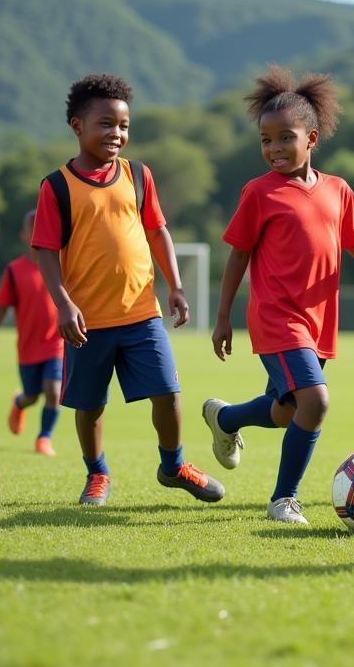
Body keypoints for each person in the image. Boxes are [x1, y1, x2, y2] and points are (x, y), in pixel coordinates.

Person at [203, 65, 354, 525]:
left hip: (318, 321)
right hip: (276, 318)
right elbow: (238, 256)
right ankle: (284, 500)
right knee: (316, 402)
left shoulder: (338, 190)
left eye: (285, 138)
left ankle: (225, 420)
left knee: (286, 412)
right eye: (266, 140)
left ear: (313, 139)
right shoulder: (259, 193)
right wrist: (223, 315)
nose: (274, 149)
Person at [32, 73, 224, 507]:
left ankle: (173, 465)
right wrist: (63, 305)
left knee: (168, 392)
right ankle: (97, 474)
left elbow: (158, 232)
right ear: (77, 126)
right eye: (105, 124)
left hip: (141, 312)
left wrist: (175, 285)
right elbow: (45, 251)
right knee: (89, 405)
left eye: (122, 125)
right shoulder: (57, 186)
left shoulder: (137, 175)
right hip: (87, 321)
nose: (116, 133)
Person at [0, 209, 64, 456]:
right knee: (32, 395)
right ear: (24, 235)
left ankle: (44, 438)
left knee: (53, 390)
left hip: (57, 343)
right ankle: (19, 402)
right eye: (32, 230)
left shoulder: (62, 265)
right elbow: (2, 304)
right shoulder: (15, 270)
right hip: (28, 347)